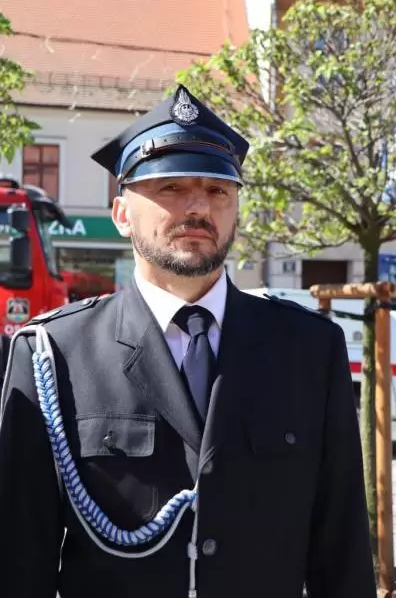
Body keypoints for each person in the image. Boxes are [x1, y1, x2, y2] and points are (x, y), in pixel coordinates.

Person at [0, 85, 375, 598]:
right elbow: (20, 560)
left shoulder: (310, 349)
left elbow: (342, 551)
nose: (199, 206)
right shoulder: (54, 354)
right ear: (121, 214)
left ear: (236, 210)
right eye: (171, 187)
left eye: (218, 191)